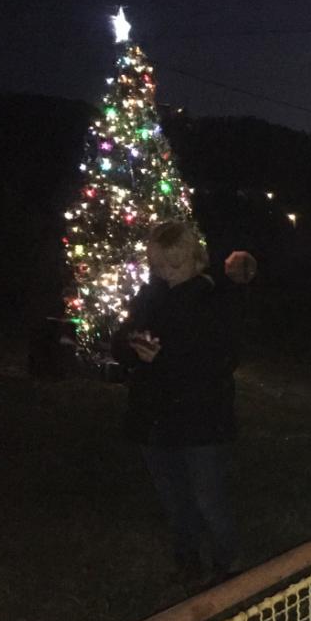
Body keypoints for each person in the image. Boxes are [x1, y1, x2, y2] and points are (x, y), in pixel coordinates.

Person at [113, 221, 239, 585]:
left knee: (207, 498)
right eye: (158, 266)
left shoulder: (213, 299)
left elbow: (222, 359)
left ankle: (228, 567)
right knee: (173, 498)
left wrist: (164, 357)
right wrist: (134, 348)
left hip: (201, 418)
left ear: (195, 259)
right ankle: (188, 560)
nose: (166, 274)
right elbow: (122, 341)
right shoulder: (149, 296)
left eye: (174, 265)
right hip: (154, 415)